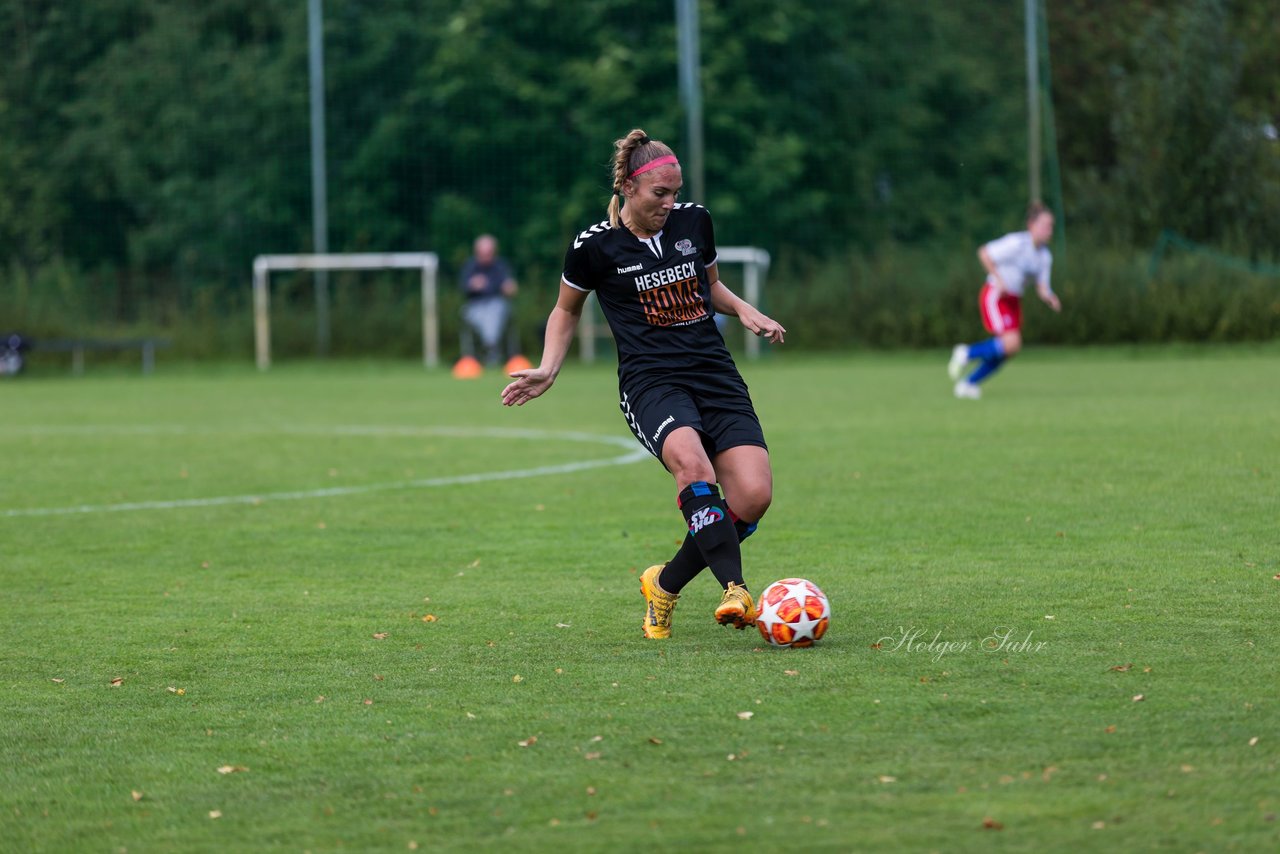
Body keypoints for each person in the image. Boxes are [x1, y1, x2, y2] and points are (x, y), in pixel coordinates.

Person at [501, 129, 786, 639]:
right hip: (651, 383)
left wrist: (745, 310)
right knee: (693, 466)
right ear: (629, 188)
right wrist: (548, 367)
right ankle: (735, 589)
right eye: (660, 194)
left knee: (753, 495)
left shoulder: (694, 222)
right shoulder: (594, 246)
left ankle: (665, 584)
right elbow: (565, 312)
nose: (670, 203)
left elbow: (712, 284)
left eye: (675, 192)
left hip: (715, 375)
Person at [948, 203, 1062, 399]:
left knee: (1010, 350)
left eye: (1051, 226)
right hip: (996, 295)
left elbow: (1042, 286)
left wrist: (1049, 296)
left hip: (1013, 300)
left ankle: (967, 384)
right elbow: (984, 253)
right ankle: (967, 353)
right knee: (1010, 342)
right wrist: (999, 279)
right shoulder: (1016, 243)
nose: (1049, 230)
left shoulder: (1044, 256)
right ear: (1031, 225)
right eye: (1045, 225)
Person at [459, 234, 518, 366]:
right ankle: (491, 346)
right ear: (477, 252)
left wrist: (509, 288)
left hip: (497, 305)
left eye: (489, 253)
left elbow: (511, 287)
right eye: (483, 253)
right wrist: (472, 285)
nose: (486, 256)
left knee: (494, 310)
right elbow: (463, 288)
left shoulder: (501, 266)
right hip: (475, 306)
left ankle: (489, 345)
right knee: (483, 315)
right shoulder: (470, 266)